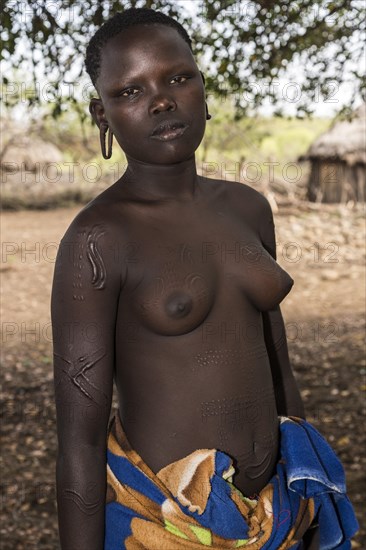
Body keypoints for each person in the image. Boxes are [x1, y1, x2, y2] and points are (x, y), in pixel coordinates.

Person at [51, 8, 358, 550]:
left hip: (278, 514)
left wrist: (304, 490)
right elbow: (79, 434)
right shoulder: (99, 238)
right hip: (166, 524)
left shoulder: (247, 208)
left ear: (202, 87)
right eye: (130, 91)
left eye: (177, 77)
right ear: (102, 115)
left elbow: (278, 362)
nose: (161, 100)